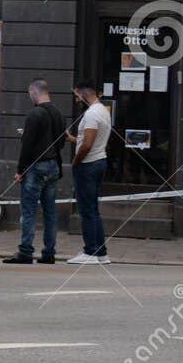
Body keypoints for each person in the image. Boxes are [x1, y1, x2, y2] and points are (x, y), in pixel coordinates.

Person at [3, 78, 67, 265]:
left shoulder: (34, 114)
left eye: (30, 94)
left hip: (35, 167)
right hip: (54, 166)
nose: (30, 96)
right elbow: (61, 142)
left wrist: (20, 170)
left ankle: (25, 252)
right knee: (50, 212)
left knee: (29, 211)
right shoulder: (59, 115)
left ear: (34, 92)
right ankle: (49, 253)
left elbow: (27, 146)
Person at [68, 81, 111, 265]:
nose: (76, 99)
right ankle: (101, 253)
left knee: (87, 210)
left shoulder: (92, 114)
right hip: (99, 160)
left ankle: (90, 251)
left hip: (88, 164)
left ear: (84, 93)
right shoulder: (102, 110)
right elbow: (87, 139)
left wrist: (75, 161)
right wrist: (72, 139)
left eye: (77, 95)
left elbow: (87, 144)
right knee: (93, 209)